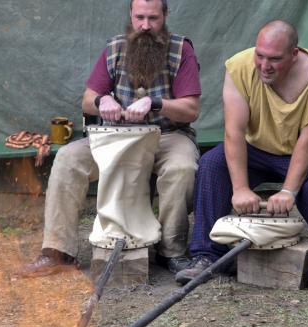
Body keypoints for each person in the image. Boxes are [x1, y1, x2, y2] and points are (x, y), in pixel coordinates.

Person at [175, 20, 308, 308]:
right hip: (256, 148)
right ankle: (205, 256)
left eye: (275, 59)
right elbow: (233, 132)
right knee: (211, 164)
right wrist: (240, 187)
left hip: (305, 148)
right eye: (260, 55)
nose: (265, 65)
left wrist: (289, 192)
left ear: (294, 54)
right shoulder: (239, 67)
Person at [21, 0, 201, 277]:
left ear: (165, 16)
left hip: (167, 135)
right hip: (116, 136)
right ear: (130, 15)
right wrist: (104, 100)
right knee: (69, 158)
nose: (145, 26)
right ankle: (57, 252)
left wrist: (155, 103)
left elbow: (191, 109)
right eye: (139, 17)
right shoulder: (115, 47)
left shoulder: (181, 49)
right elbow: (87, 101)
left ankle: (172, 251)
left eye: (153, 18)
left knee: (182, 168)